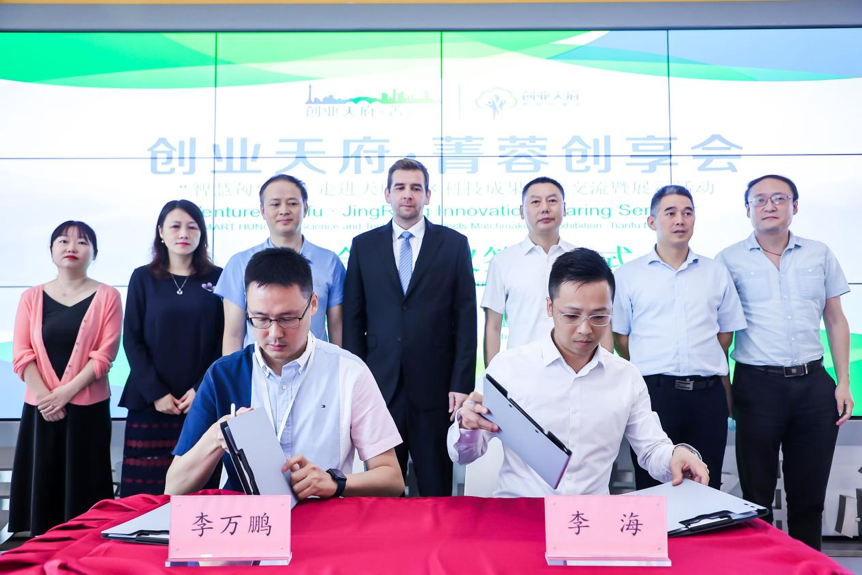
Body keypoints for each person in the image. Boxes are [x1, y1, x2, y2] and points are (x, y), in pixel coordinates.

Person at [448, 248, 709, 497]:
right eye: (572, 316)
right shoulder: (508, 367)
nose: (585, 329)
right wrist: (466, 426)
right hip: (522, 512)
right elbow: (463, 455)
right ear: (550, 307)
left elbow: (652, 450)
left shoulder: (625, 376)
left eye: (599, 317)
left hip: (589, 518)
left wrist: (676, 455)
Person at [165, 248, 403, 499]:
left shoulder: (349, 372)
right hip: (246, 518)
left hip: (325, 515)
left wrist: (335, 482)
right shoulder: (224, 375)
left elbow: (392, 478)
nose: (275, 334)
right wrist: (217, 436)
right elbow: (174, 487)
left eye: (288, 319)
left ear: (313, 304)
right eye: (260, 319)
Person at [716, 174, 853, 550]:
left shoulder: (819, 253)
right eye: (759, 200)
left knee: (808, 498)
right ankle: (762, 567)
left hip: (813, 385)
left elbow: (835, 319)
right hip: (756, 387)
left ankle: (808, 567)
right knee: (756, 498)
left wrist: (843, 381)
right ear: (747, 210)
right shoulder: (727, 260)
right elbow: (720, 330)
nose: (769, 206)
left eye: (779, 198)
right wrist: (725, 386)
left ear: (795, 206)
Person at [344, 158, 477, 496]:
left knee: (435, 485)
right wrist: (354, 380)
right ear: (387, 194)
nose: (408, 194)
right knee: (381, 488)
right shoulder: (363, 245)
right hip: (379, 386)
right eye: (400, 187)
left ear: (428, 195)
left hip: (436, 387)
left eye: (416, 188)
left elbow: (465, 318)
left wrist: (461, 383)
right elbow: (354, 318)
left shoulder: (453, 244)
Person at [612, 185, 746, 490]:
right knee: (653, 486)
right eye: (670, 213)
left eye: (687, 213)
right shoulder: (628, 275)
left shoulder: (715, 272)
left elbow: (725, 334)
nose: (680, 220)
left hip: (707, 395)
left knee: (706, 486)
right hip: (654, 395)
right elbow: (621, 338)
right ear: (651, 221)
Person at [10, 221, 122, 536]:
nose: (72, 247)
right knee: (43, 494)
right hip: (40, 409)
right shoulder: (31, 297)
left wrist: (65, 394)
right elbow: (22, 354)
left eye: (82, 242)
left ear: (94, 253)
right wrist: (46, 397)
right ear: (51, 250)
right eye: (63, 241)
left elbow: (105, 355)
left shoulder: (108, 296)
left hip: (88, 410)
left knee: (85, 495)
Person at [119, 200, 224, 496]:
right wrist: (156, 393)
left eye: (192, 227)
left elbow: (226, 340)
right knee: (144, 491)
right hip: (150, 402)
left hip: (200, 402)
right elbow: (132, 340)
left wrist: (201, 389)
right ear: (161, 232)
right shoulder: (143, 277)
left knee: (199, 486)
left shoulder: (218, 278)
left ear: (202, 233)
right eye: (175, 226)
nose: (184, 233)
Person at [216, 174, 345, 354]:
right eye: (275, 204)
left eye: (292, 203)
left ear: (305, 209)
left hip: (315, 366)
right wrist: (232, 371)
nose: (284, 210)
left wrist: (338, 366)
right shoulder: (239, 263)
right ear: (262, 211)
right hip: (257, 366)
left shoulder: (330, 261)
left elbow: (337, 328)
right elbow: (233, 334)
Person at [482, 176, 574, 366]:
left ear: (564, 208)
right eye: (535, 202)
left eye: (552, 200)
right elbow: (493, 327)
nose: (545, 208)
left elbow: (602, 321)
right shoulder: (503, 262)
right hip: (520, 368)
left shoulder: (581, 258)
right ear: (522, 211)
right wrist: (493, 376)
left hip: (574, 366)